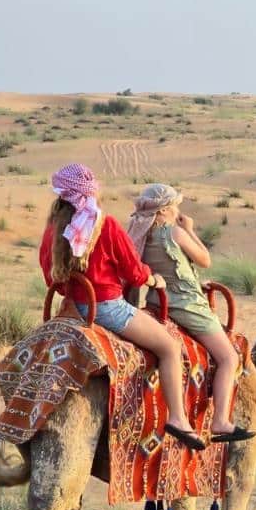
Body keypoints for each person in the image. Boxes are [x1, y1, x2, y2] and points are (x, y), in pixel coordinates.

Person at [40, 163, 204, 450]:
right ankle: (178, 418)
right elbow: (133, 271)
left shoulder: (53, 229)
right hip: (107, 307)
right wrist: (153, 280)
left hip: (70, 308)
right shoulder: (105, 224)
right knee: (169, 348)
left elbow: (49, 273)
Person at [126, 184, 253, 442]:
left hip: (158, 300)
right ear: (165, 209)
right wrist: (189, 230)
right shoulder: (174, 232)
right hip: (187, 305)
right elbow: (205, 259)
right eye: (175, 205)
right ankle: (220, 421)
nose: (178, 210)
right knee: (229, 357)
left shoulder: (138, 232)